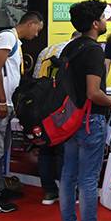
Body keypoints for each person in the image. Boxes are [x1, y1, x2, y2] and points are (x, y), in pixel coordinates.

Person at [56, 0, 111, 221]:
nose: (105, 22)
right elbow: (94, 92)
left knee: (68, 177)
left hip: (70, 121)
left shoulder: (70, 47)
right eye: (103, 18)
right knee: (88, 180)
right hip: (90, 121)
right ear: (95, 23)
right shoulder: (93, 50)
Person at [0, 11, 44, 213]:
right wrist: (2, 101)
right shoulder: (6, 38)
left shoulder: (13, 40)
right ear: (30, 24)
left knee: (1, 149)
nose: (36, 34)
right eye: (37, 30)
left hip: (0, 103)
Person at [32, 31, 82, 205]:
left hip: (39, 104)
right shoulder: (74, 52)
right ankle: (67, 192)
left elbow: (35, 76)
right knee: (63, 149)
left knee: (45, 149)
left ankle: (49, 192)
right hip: (59, 107)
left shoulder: (47, 50)